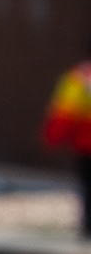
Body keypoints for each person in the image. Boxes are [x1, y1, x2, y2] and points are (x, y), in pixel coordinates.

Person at [43, 59, 91, 237]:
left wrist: (53, 137)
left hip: (86, 145)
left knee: (87, 187)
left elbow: (66, 111)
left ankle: (88, 227)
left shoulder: (80, 77)